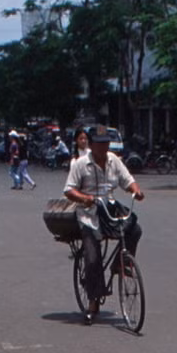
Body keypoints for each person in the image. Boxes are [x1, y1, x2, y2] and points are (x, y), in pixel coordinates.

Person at [64, 126, 144, 324]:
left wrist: (136, 191)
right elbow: (69, 190)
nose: (104, 146)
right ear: (91, 145)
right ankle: (92, 302)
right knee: (92, 259)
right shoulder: (80, 164)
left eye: (106, 143)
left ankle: (121, 263)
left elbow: (128, 180)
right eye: (99, 143)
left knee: (134, 227)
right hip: (88, 213)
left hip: (109, 206)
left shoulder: (113, 160)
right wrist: (85, 198)